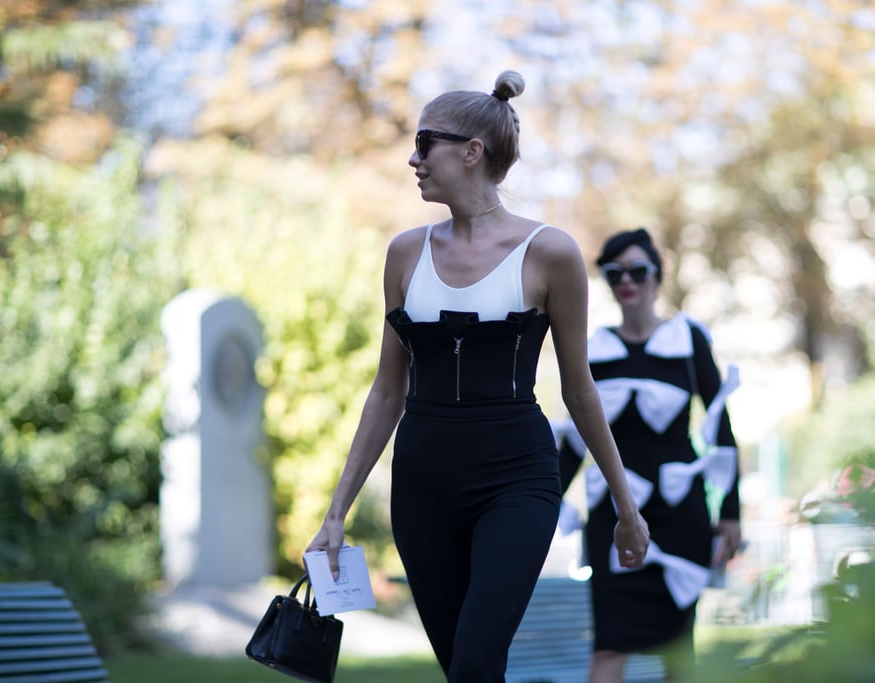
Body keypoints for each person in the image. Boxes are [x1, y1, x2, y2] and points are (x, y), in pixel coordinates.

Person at [304, 71, 650, 683]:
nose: (413, 159)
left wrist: (626, 507)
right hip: (422, 484)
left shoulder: (552, 252)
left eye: (425, 142)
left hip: (516, 477)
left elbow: (579, 388)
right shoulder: (405, 253)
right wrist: (337, 512)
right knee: (463, 670)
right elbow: (387, 390)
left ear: (472, 152)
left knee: (475, 660)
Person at [555, 228, 742, 682]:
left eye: (638, 270)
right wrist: (540, 504)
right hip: (614, 516)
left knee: (678, 651)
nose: (627, 280)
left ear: (657, 277)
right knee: (609, 645)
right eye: (614, 272)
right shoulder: (591, 347)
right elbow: (577, 439)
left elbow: (720, 427)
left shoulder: (688, 340)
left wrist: (732, 513)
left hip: (682, 516)